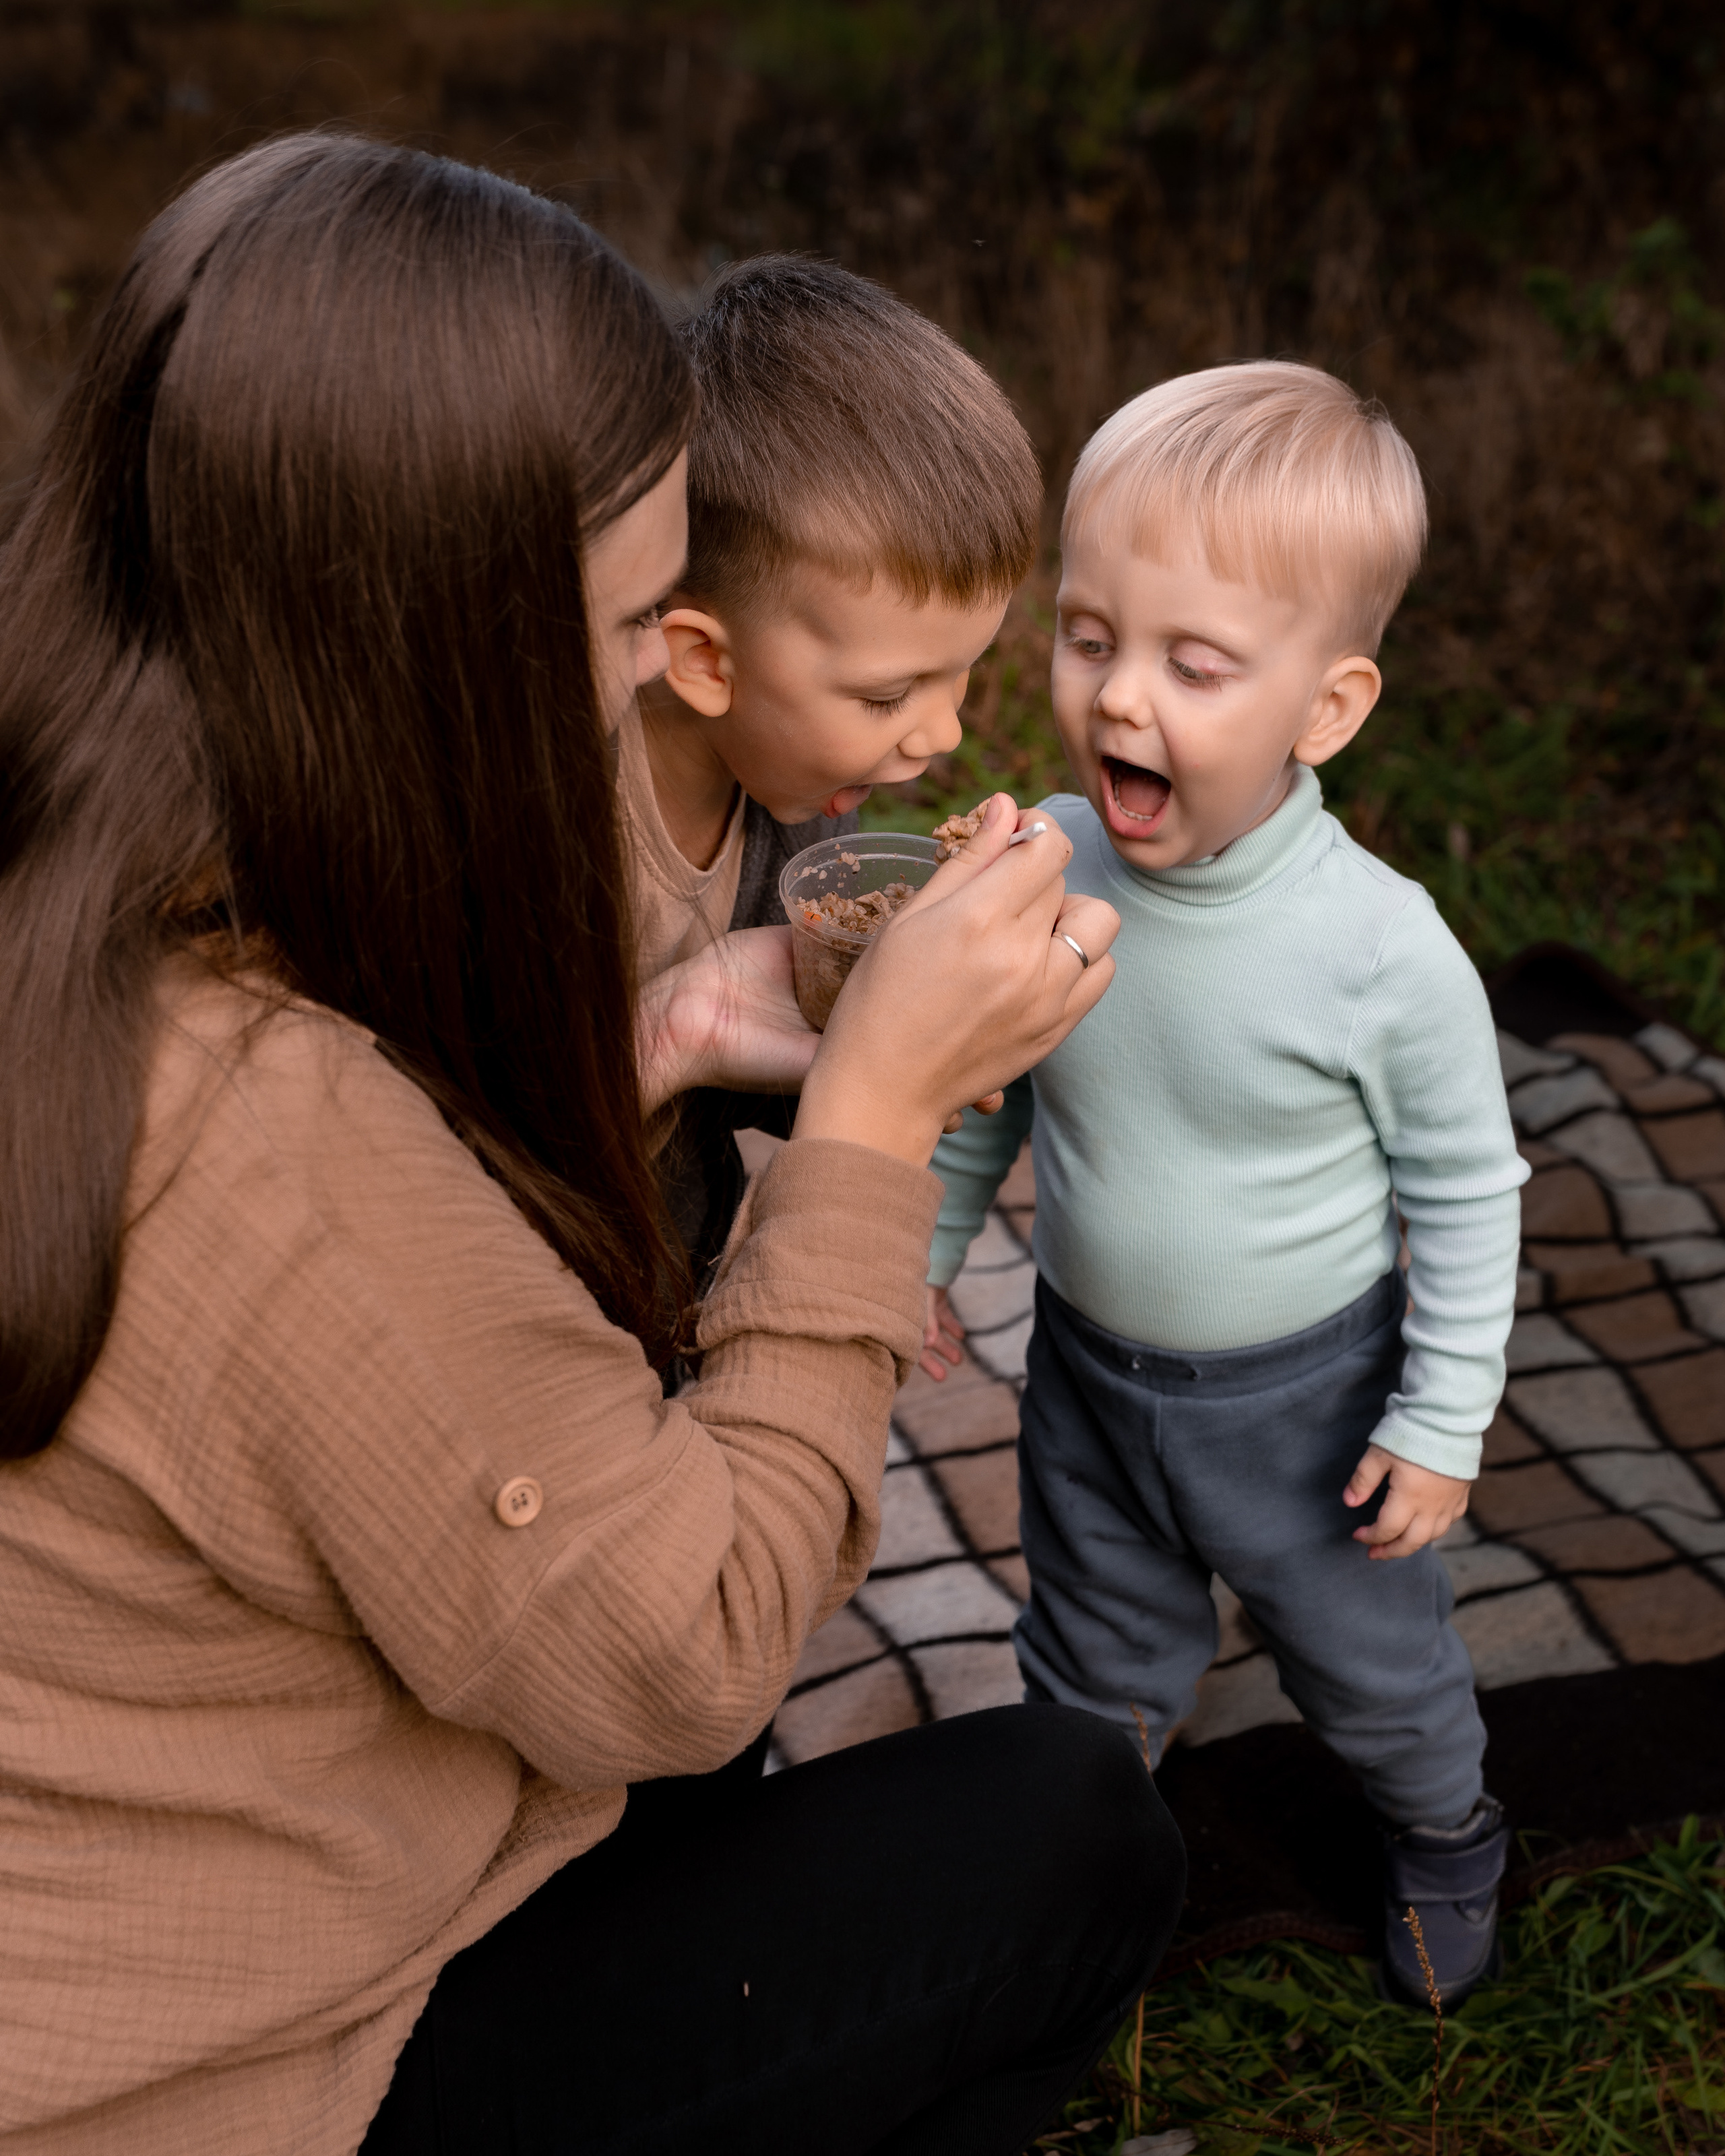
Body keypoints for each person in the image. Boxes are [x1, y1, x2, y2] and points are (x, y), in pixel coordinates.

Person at [0, 133, 1181, 2156]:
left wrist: (665, 1041)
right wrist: (876, 1122)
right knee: (1071, 1839)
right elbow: (690, 1656)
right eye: (637, 625)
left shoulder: (100, 861)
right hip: (216, 2073)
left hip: (160, 1874)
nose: (662, 675)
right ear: (432, 644)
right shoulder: (261, 1130)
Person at [920, 363, 1528, 2008]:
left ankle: (1446, 1829)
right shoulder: (1049, 860)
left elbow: (1469, 1195)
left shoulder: (1377, 951)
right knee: (1086, 1660)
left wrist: (1438, 1414)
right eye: (1089, 634)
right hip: (1089, 1382)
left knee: (1371, 1669)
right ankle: (1070, 1866)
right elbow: (991, 1077)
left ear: (1324, 710)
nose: (1121, 700)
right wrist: (927, 1241)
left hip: (1310, 1410)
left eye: (1193, 665)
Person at [632, 255, 1041, 1281]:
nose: (942, 735)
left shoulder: (806, 811)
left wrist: (900, 1038)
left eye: (963, 675)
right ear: (706, 661)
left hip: (681, 1290)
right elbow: (470, 1155)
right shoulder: (543, 829)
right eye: (885, 697)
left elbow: (752, 1072)